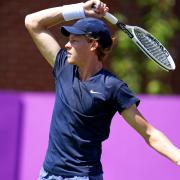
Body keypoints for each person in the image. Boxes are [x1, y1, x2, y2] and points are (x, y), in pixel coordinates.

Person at [25, 0, 180, 179]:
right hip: (47, 174)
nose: (67, 45)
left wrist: (177, 157)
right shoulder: (63, 66)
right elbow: (32, 22)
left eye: (74, 40)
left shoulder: (112, 87)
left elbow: (149, 133)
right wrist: (80, 9)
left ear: (92, 45)